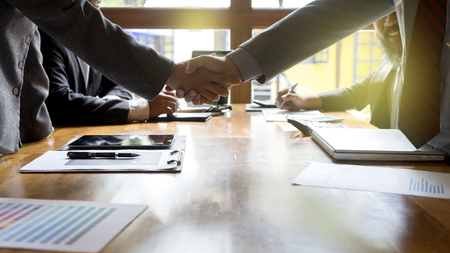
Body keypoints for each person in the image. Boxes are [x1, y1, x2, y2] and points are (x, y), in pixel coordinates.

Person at [185, 0, 450, 154]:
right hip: (417, 159)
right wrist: (236, 66)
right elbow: (336, 11)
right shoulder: (393, 62)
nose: (391, 22)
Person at [0, 0, 238, 155]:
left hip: (24, 143)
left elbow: (115, 82)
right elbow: (78, 20)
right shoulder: (60, 34)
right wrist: (173, 75)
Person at [38, 0, 178, 125]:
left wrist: (111, 106)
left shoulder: (94, 40)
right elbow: (59, 104)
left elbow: (119, 84)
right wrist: (140, 108)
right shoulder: (48, 38)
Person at [275, 12, 402, 129]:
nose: (389, 21)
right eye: (382, 14)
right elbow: (355, 94)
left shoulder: (419, 67)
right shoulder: (389, 62)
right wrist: (303, 101)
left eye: (397, 12)